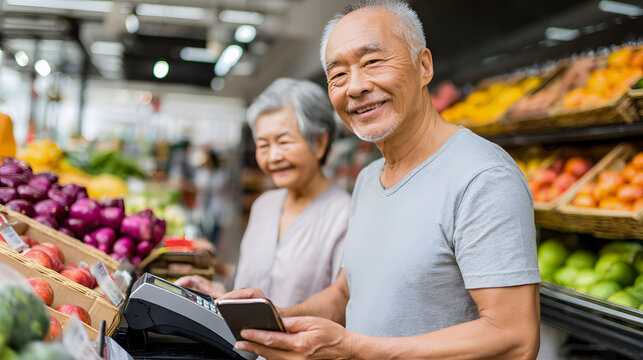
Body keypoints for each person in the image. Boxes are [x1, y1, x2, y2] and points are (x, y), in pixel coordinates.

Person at [218, 1, 541, 359]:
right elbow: (345, 293)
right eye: (337, 74)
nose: (354, 87)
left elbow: (515, 338)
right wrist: (276, 317)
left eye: (373, 62)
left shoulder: (482, 176)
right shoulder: (369, 179)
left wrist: (353, 349)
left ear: (424, 66)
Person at [177, 78, 351, 308]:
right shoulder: (264, 205)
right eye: (263, 145)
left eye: (283, 141)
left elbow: (342, 304)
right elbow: (260, 283)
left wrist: (274, 318)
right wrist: (220, 281)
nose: (273, 157)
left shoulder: (345, 215)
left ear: (319, 142)